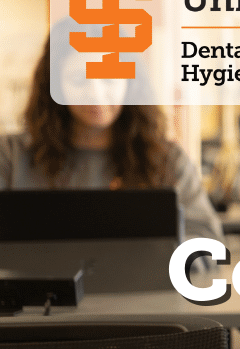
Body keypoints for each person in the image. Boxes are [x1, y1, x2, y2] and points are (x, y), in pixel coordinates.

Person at [0, 37, 223, 252]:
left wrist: (153, 260)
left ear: (130, 83)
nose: (95, 94)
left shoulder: (167, 160)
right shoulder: (10, 156)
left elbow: (207, 240)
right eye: (80, 80)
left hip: (144, 279)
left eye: (109, 78)